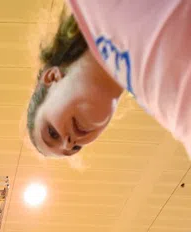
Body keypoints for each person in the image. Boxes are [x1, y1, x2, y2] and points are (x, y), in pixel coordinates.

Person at [27, 2, 191, 158]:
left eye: (52, 133)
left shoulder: (94, 7)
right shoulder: (154, 100)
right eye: (75, 149)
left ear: (52, 78)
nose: (68, 144)